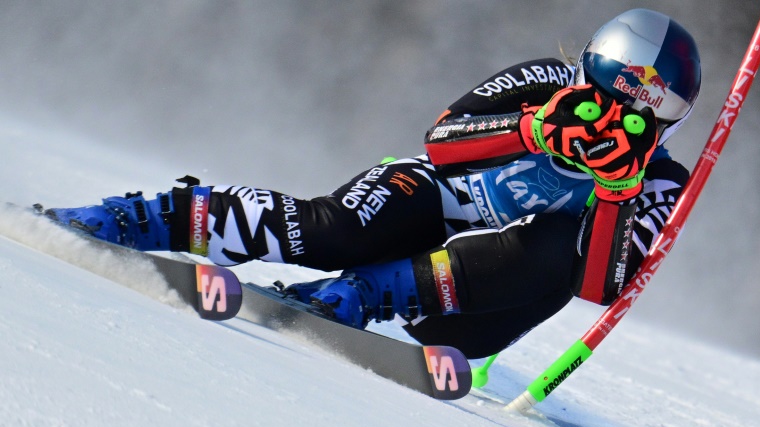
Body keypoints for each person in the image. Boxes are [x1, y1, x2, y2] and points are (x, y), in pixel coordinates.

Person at [45, 9, 701, 360]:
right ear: (588, 67)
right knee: (334, 230)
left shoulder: (662, 179)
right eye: (614, 89)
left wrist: (617, 188)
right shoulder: (550, 83)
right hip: (434, 203)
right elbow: (441, 139)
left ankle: (361, 296)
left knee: (564, 245)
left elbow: (598, 287)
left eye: (654, 108)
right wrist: (532, 131)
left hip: (473, 310)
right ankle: (145, 217)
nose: (625, 115)